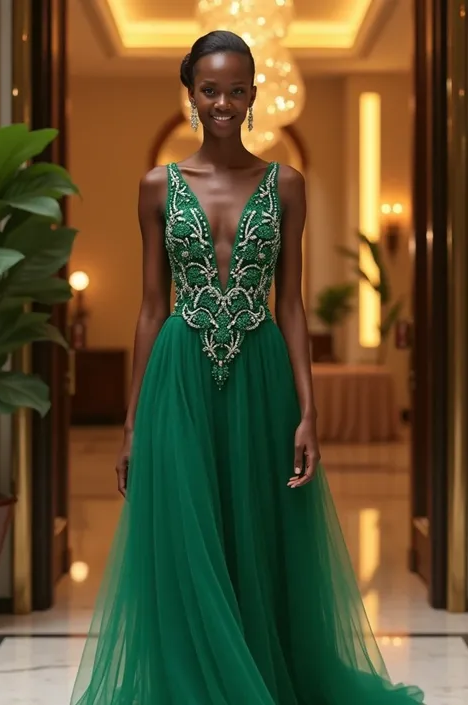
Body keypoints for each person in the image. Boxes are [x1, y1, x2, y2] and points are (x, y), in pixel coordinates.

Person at [70, 30, 424, 705]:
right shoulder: (156, 187)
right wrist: (130, 421)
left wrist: (309, 411)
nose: (223, 102)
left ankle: (258, 673)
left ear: (255, 93)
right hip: (180, 375)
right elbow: (150, 309)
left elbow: (289, 304)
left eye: (236, 89)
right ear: (191, 95)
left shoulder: (286, 184)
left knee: (258, 534)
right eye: (210, 90)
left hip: (260, 372)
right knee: (188, 534)